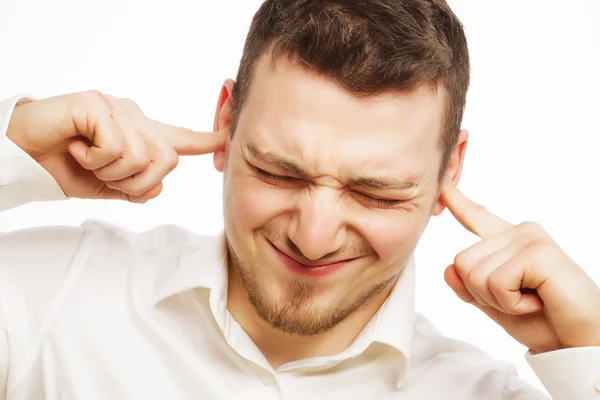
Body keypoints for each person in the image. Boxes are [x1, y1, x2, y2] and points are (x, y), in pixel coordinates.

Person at [0, 0, 599, 399]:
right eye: (278, 172)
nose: (313, 237)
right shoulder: (54, 292)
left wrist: (590, 355)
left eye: (377, 194)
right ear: (225, 124)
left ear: (450, 171)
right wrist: (11, 154)